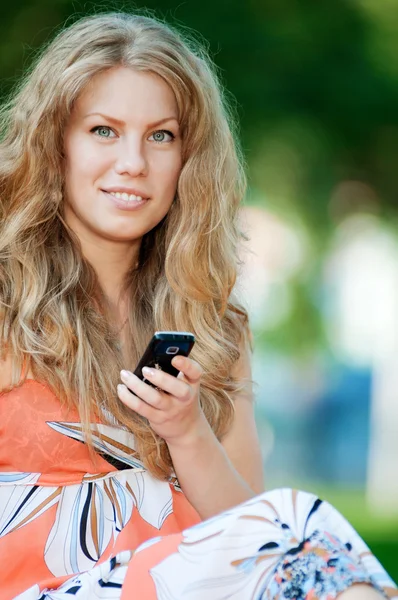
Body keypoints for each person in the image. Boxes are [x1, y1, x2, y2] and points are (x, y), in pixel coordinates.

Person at [0, 11, 395, 600]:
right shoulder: (10, 303)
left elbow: (252, 534)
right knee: (305, 528)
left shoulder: (212, 324)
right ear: (54, 142)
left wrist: (186, 432)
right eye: (103, 130)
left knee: (298, 533)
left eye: (161, 136)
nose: (133, 162)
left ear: (190, 160)